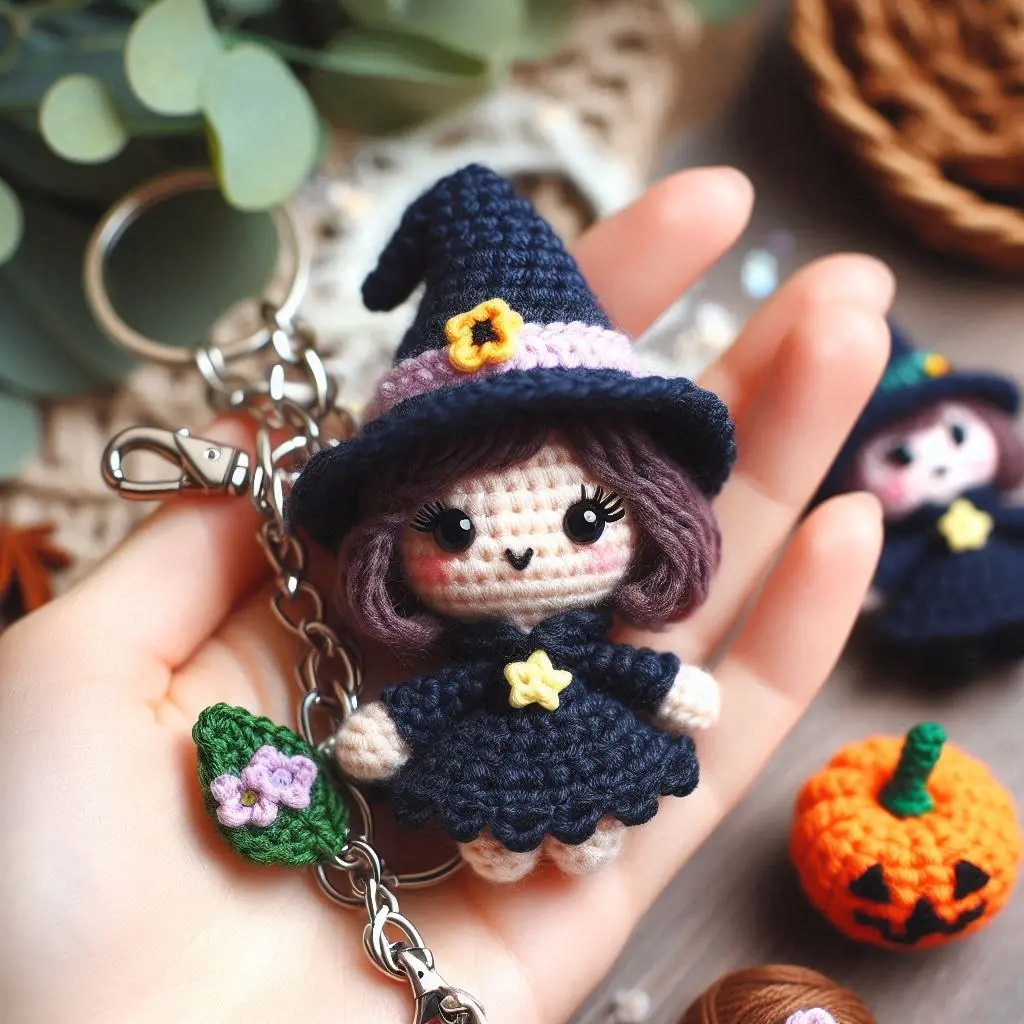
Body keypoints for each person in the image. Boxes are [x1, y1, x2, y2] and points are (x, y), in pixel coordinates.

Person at [0, 167, 893, 1023]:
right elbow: (429, 703)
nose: (518, 550)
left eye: (587, 519)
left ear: (648, 505)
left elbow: (629, 673)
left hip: (587, 734)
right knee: (489, 834)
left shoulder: (592, 628)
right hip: (480, 754)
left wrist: (664, 684)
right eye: (455, 529)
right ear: (394, 540)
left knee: (598, 820)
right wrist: (388, 729)